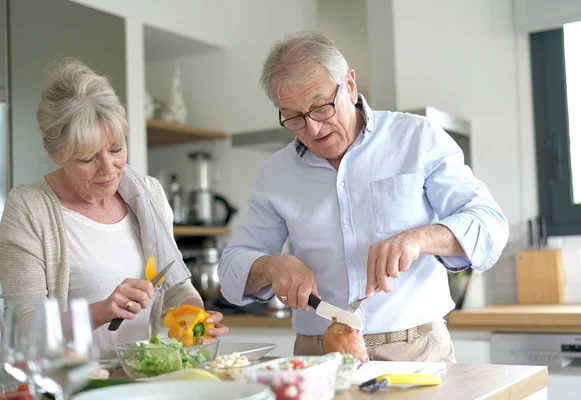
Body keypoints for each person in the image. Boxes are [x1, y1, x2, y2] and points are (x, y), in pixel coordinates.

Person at [218, 31, 508, 363]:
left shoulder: (416, 138)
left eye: (320, 107)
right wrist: (273, 265)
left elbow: (489, 224)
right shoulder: (275, 173)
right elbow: (230, 269)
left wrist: (418, 239)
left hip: (415, 351)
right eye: (294, 117)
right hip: (318, 357)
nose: (313, 129)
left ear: (350, 86)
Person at [0, 59, 228, 357]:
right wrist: (100, 311)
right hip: (69, 385)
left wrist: (196, 319)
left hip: (138, 376)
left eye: (117, 149)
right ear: (54, 152)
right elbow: (24, 329)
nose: (108, 169)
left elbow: (175, 286)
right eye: (87, 159)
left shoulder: (150, 196)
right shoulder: (28, 209)